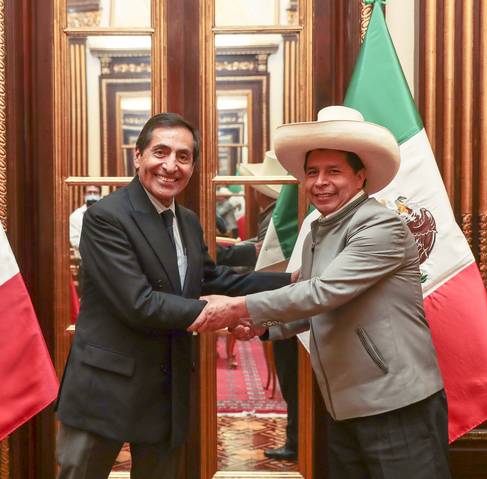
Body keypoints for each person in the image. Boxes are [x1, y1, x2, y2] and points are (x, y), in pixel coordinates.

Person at [190, 106, 450, 478]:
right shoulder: (318, 231)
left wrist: (236, 306)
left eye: (334, 171)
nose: (320, 182)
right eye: (312, 172)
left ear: (361, 176)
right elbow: (316, 306)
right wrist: (265, 328)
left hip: (395, 404)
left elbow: (323, 292)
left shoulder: (380, 225)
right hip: (345, 404)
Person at [55, 112, 290, 479]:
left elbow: (212, 277)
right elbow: (139, 303)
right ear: (138, 157)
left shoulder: (188, 220)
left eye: (183, 156)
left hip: (167, 387)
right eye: (160, 152)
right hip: (105, 388)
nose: (170, 166)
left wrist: (294, 283)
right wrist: (218, 312)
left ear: (193, 165)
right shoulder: (106, 217)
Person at [239, 152, 298, 461]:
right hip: (284, 308)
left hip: (285, 309)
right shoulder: (279, 213)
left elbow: (267, 262)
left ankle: (296, 440)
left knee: (292, 377)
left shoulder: (279, 217)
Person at [69, 185, 101, 251]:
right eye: (89, 192)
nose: (92, 195)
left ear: (100, 195)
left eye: (95, 193)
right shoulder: (75, 216)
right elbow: (74, 241)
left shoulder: (107, 214)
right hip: (83, 258)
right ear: (84, 195)